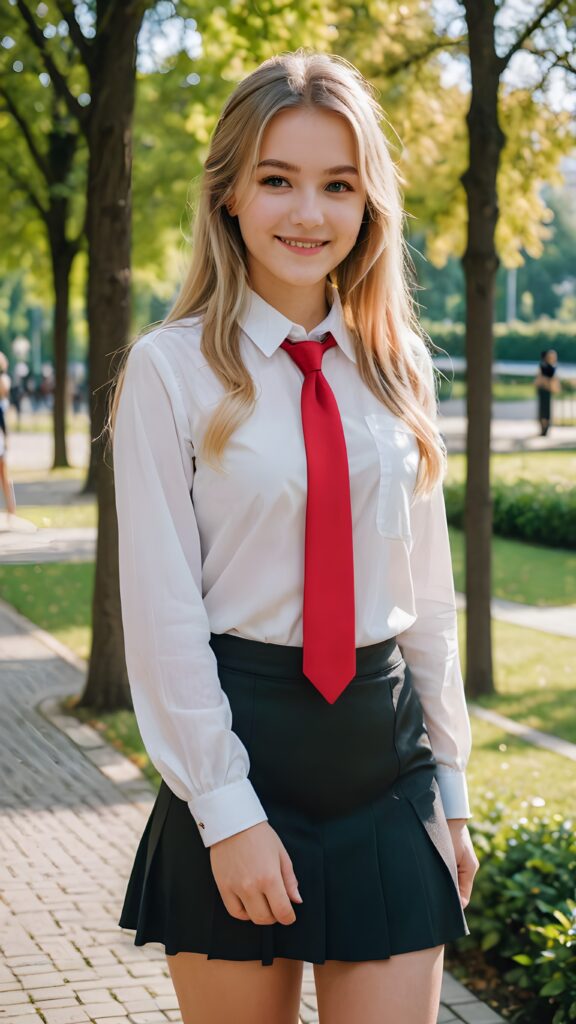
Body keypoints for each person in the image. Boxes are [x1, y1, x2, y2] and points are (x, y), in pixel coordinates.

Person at [108, 49, 479, 1024]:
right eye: (278, 180)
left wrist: (454, 788)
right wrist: (225, 812)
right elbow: (161, 613)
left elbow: (428, 598)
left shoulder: (398, 369)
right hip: (241, 744)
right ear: (229, 193)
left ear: (370, 204)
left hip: (387, 760)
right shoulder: (169, 370)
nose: (308, 213)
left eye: (338, 185)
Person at [0, 351, 17, 524]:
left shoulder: (3, 382)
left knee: (3, 473)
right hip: (1, 435)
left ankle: (11, 509)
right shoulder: (4, 382)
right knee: (4, 474)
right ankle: (11, 508)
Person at [535, 348, 560, 436]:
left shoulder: (552, 367)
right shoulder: (543, 367)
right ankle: (543, 428)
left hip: (548, 391)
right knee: (543, 411)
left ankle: (545, 429)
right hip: (544, 391)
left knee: (547, 411)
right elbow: (540, 380)